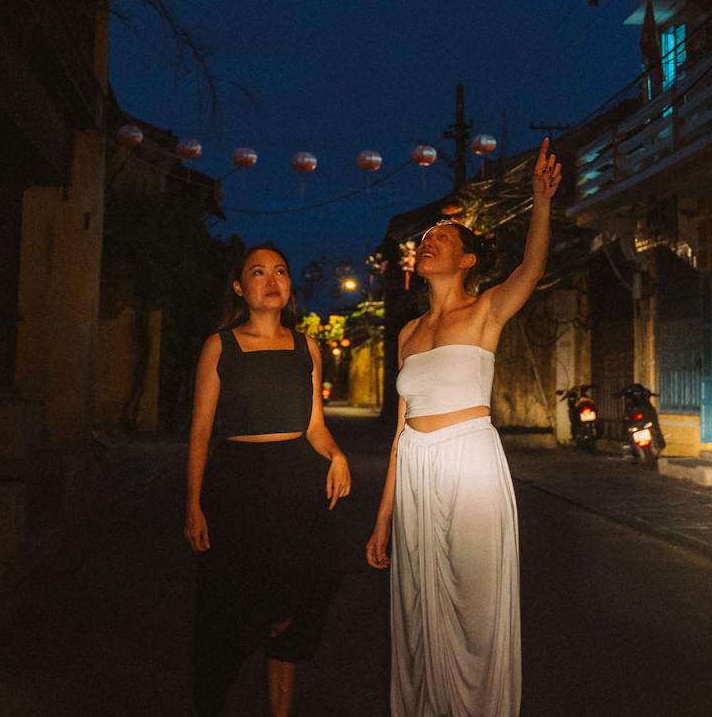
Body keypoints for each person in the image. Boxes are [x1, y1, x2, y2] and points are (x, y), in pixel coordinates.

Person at [367, 140, 562, 717]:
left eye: (442, 238)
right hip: (417, 471)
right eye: (425, 239)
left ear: (469, 260)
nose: (429, 242)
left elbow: (532, 267)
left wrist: (541, 201)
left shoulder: (486, 311)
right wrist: (383, 518)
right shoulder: (406, 334)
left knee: (476, 609)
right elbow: (400, 432)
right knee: (421, 611)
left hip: (471, 463)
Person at [185, 244, 351, 717]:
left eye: (280, 270)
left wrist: (336, 454)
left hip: (297, 485)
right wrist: (193, 505)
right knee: (228, 606)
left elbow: (315, 425)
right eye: (258, 273)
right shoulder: (221, 346)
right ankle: (212, 701)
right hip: (236, 485)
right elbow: (200, 434)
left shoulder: (307, 347)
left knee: (294, 608)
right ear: (240, 288)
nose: (272, 279)